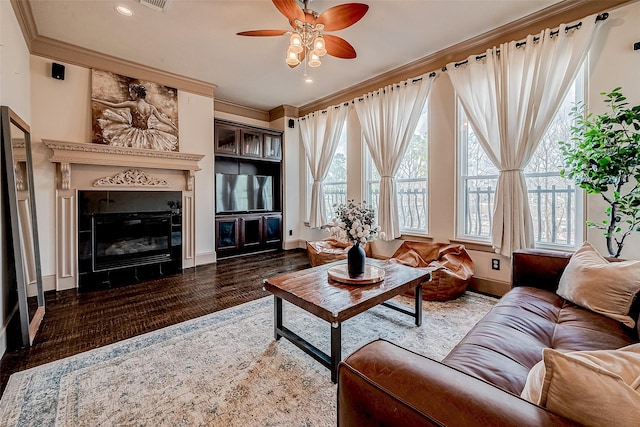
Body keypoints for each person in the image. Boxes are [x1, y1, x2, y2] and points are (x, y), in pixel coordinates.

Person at [93, 83, 178, 151]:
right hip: (147, 132)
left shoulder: (132, 104)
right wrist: (173, 127)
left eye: (132, 93)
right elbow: (161, 119)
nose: (131, 95)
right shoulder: (151, 107)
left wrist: (96, 100)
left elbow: (114, 105)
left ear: (136, 94)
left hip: (134, 131)